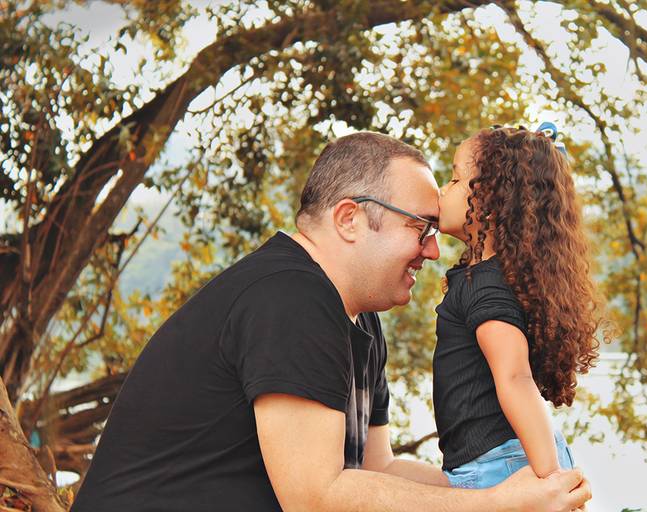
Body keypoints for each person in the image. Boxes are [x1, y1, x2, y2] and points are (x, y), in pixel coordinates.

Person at [72, 131, 591, 512]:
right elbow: (315, 497)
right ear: (350, 219)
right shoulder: (290, 297)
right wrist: (499, 505)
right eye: (420, 227)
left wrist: (511, 487)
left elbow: (376, 470)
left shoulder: (361, 324)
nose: (434, 250)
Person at [434, 124, 607, 489]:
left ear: (491, 202)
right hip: (504, 459)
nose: (441, 191)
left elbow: (515, 378)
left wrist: (551, 480)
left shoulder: (484, 287)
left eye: (453, 180)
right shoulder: (497, 280)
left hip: (501, 467)